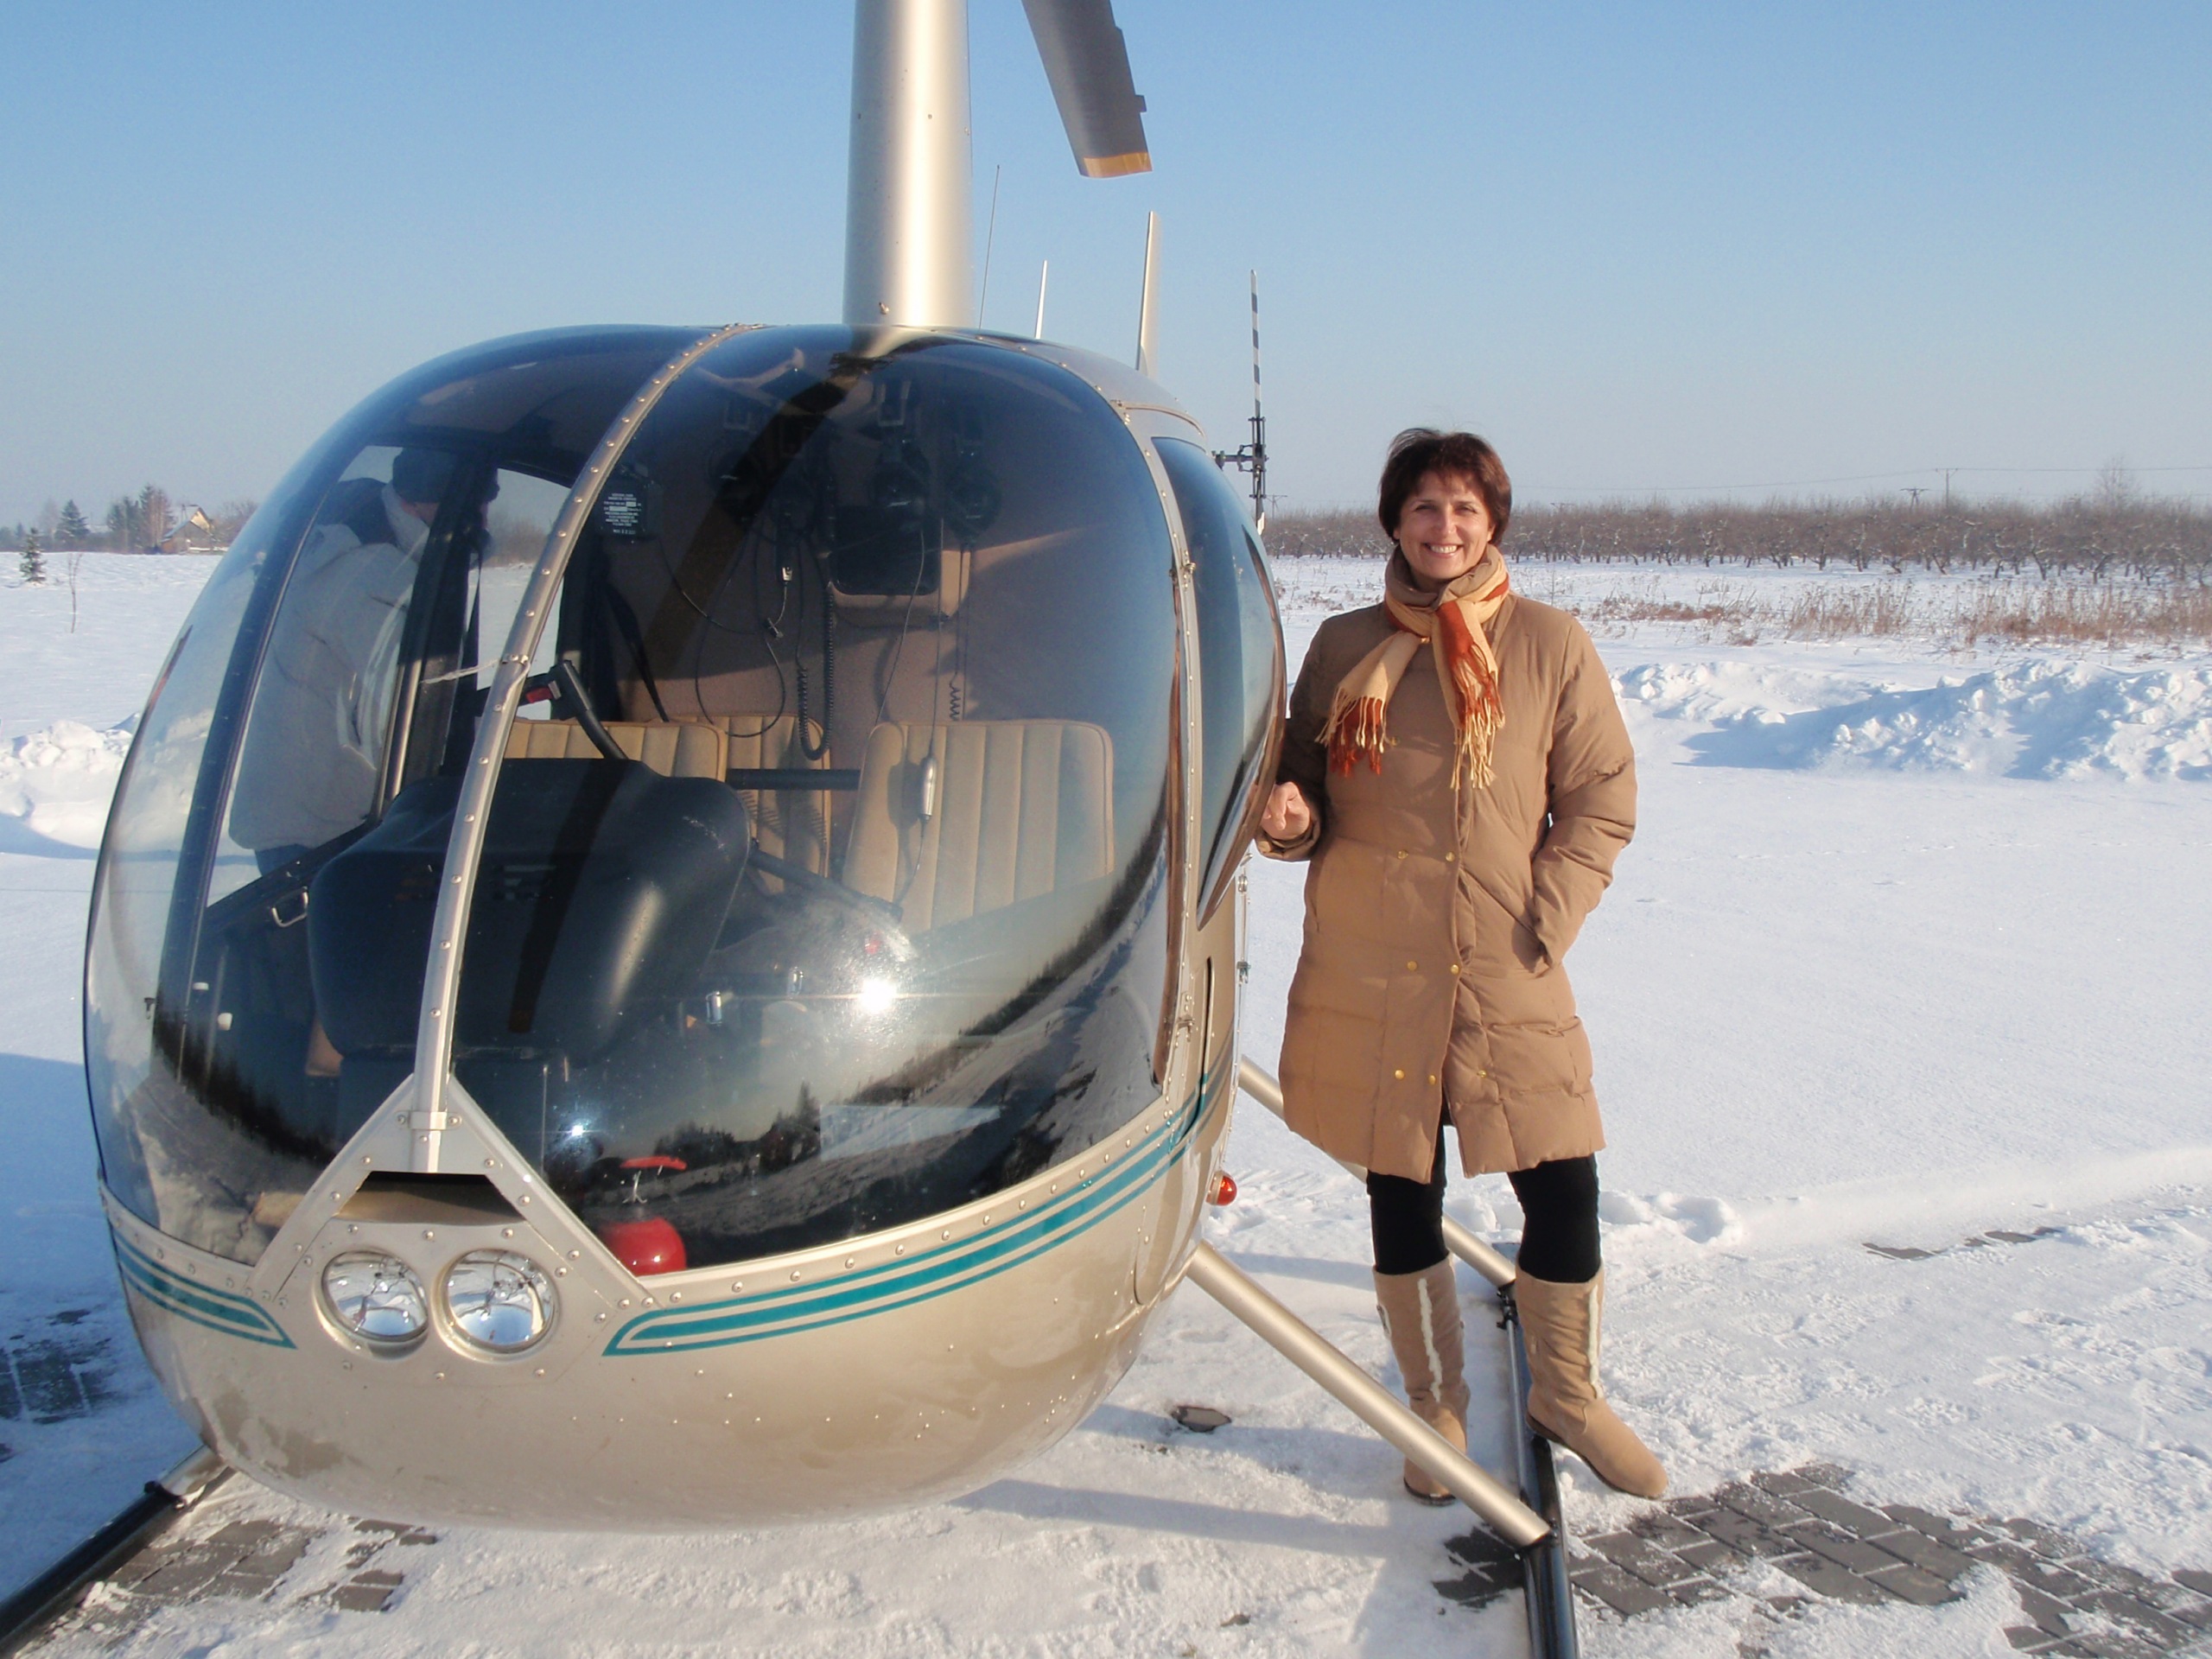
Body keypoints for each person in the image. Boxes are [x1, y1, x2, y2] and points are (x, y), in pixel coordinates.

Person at [1257, 429, 1665, 1501]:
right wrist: (1288, 820)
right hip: (1371, 960)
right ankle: (1433, 1404)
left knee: (1561, 1178)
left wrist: (1545, 916)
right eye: (1425, 508)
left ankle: (1567, 1394)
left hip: (1501, 957)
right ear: (1394, 522)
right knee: (1401, 1183)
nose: (1444, 528)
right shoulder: (1343, 646)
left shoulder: (1549, 644)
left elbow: (1600, 799)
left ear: (1493, 524)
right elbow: (1299, 784)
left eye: (1465, 510)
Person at [229, 448, 475, 872]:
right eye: (465, 502)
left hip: (300, 811)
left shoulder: (362, 547)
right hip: (324, 828)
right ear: (410, 502)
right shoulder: (371, 574)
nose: (481, 516)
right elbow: (412, 708)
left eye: (486, 498)